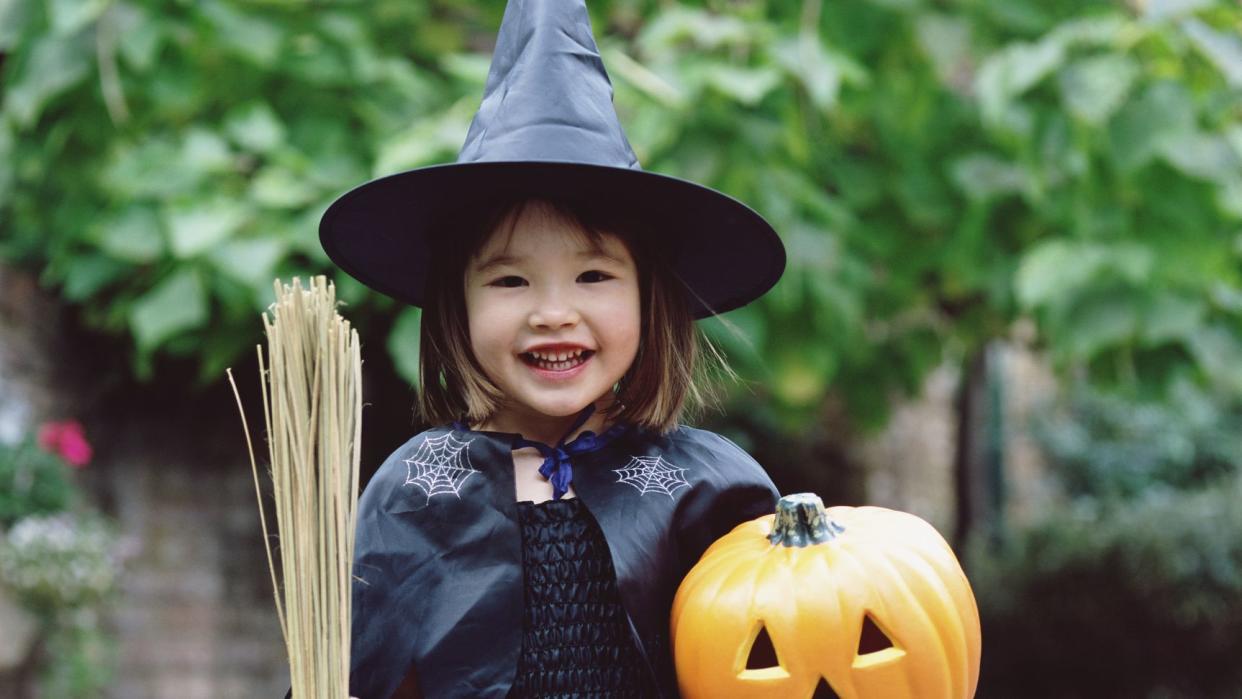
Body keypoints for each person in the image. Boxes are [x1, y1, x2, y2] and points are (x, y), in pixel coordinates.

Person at [306, 0, 787, 697]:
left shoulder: (707, 489)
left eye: (594, 275)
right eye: (509, 279)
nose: (553, 312)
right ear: (456, 303)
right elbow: (362, 672)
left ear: (651, 298)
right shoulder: (415, 490)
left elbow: (778, 656)